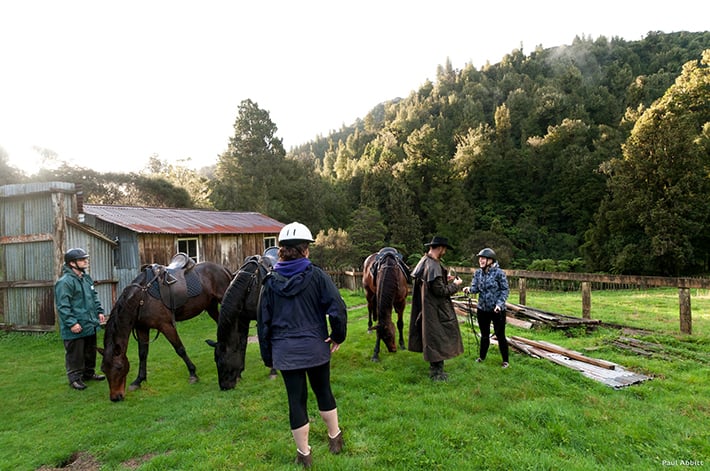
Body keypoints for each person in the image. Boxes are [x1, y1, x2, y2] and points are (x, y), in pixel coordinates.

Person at [257, 222, 347, 468]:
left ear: (281, 250)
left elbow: (263, 324)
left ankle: (304, 454)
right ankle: (335, 438)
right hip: (315, 347)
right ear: (305, 249)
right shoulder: (317, 276)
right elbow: (337, 307)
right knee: (324, 392)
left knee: (296, 401)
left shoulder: (269, 282)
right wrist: (337, 335)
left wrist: (269, 358)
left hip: (285, 352)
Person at [408, 236, 464, 381]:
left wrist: (446, 280)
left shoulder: (425, 261)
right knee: (438, 337)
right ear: (440, 248)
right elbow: (440, 291)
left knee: (434, 337)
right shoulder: (432, 265)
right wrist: (456, 285)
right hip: (435, 309)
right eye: (444, 249)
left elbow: (434, 283)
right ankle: (436, 374)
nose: (444, 252)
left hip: (429, 307)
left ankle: (437, 371)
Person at [54, 248, 106, 390]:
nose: (86, 261)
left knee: (90, 351)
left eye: (86, 259)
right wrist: (72, 323)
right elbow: (63, 306)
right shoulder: (65, 282)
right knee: (75, 354)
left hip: (90, 323)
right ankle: (74, 379)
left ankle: (89, 374)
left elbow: (93, 297)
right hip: (75, 326)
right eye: (82, 259)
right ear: (72, 263)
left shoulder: (86, 278)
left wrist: (99, 312)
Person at [463, 247, 510, 368]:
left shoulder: (499, 273)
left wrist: (499, 304)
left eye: (483, 258)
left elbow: (505, 290)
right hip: (482, 309)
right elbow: (475, 288)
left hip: (497, 310)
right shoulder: (478, 273)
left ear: (490, 260)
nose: (481, 260)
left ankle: (505, 361)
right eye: (480, 258)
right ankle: (482, 357)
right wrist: (468, 289)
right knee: (484, 335)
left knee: (500, 336)